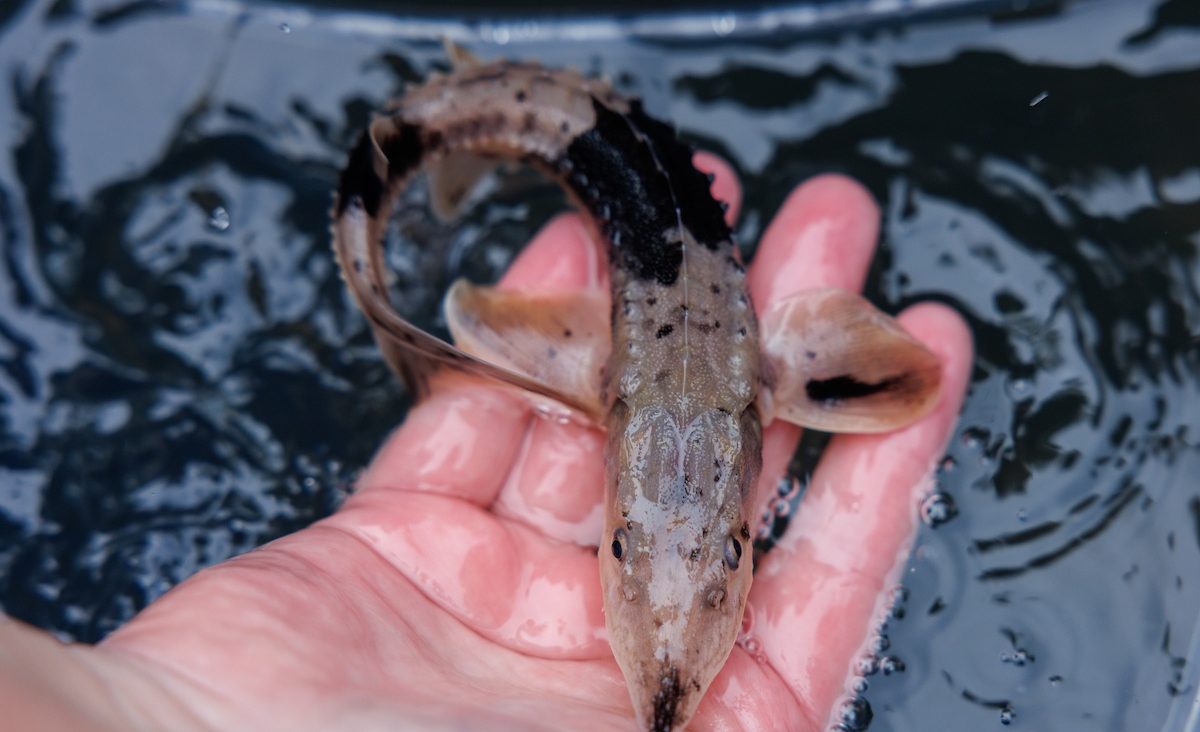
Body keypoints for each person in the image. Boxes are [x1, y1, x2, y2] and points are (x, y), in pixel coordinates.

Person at [0, 159, 971, 731]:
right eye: (626, 549)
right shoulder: (621, 376)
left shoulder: (762, 375)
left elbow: (907, 374)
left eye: (728, 554)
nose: (671, 635)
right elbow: (907, 372)